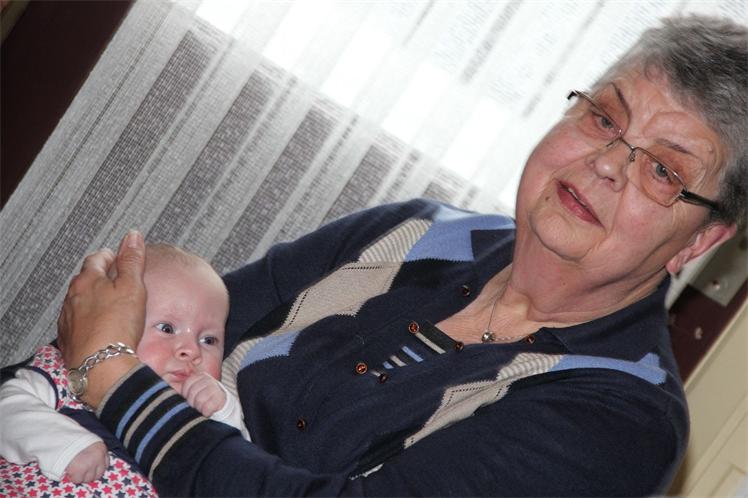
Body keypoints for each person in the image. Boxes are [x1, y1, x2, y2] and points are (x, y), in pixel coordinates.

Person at [54, 15, 746, 497]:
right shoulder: (416, 230)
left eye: (663, 171)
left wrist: (113, 379)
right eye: (603, 118)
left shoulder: (620, 420)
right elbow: (141, 339)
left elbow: (110, 360)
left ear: (700, 241)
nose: (608, 164)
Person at [0, 244, 249, 496]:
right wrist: (63, 443)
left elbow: (232, 473)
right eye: (166, 328)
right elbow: (7, 407)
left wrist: (225, 413)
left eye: (209, 340)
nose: (192, 350)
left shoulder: (198, 414)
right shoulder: (68, 374)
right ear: (108, 325)